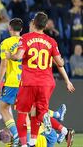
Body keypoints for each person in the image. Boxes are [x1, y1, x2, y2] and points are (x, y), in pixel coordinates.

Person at [6, 12, 75, 147]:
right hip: (47, 83)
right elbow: (60, 63)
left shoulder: (25, 38)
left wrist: (10, 55)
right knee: (37, 111)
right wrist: (67, 80)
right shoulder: (51, 41)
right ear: (45, 26)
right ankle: (36, 138)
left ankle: (25, 144)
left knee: (22, 113)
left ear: (34, 23)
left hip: (29, 82)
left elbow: (19, 56)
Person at [0, 18, 23, 146]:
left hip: (12, 81)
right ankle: (26, 141)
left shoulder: (6, 43)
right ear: (21, 29)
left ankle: (16, 135)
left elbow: (4, 64)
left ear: (9, 29)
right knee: (25, 113)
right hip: (26, 82)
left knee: (3, 108)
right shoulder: (26, 41)